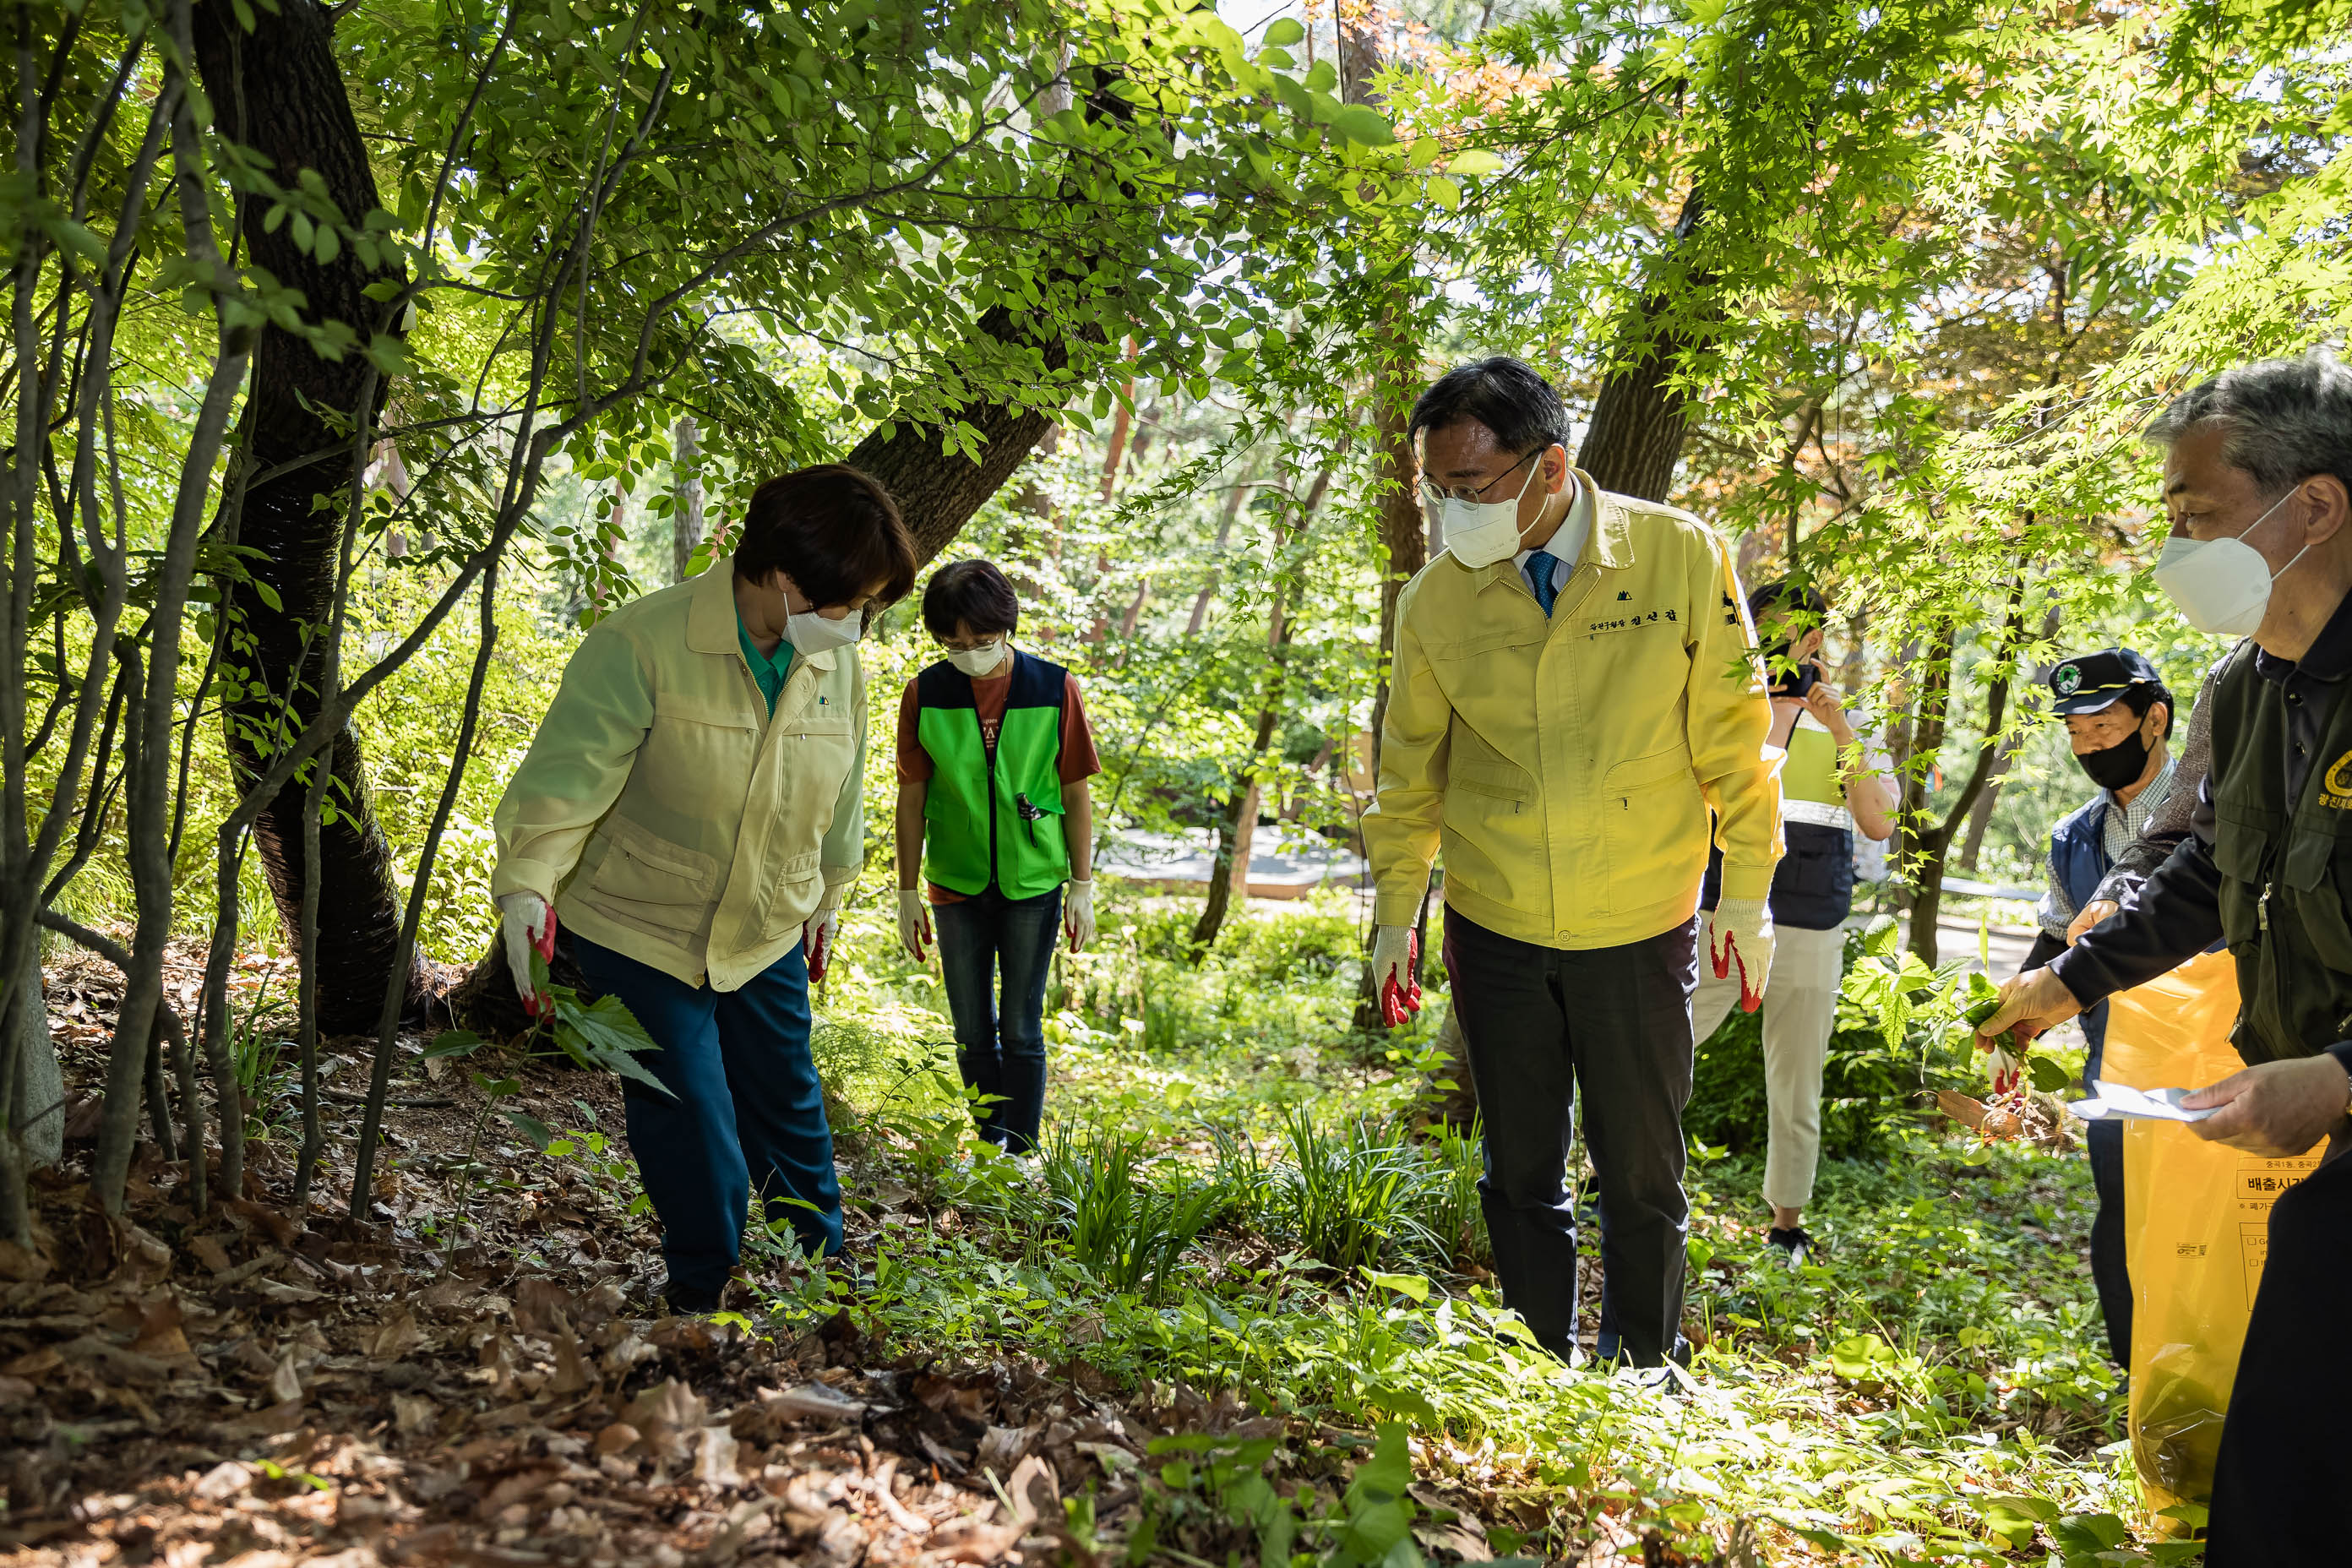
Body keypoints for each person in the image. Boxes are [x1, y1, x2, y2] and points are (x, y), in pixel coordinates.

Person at [1978, 351, 2352, 1564]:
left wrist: (2343, 1073)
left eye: (2198, 517)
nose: (2176, 551)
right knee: (2284, 1460)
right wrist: (2068, 977)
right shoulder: (2247, 692)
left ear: (2315, 506)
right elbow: (2201, 868)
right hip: (2335, 1140)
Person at [1362, 356, 1782, 1368]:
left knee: (1642, 1169)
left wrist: (1748, 897)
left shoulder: (1679, 556)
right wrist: (1395, 912)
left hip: (1640, 918)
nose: (1455, 509)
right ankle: (1534, 1362)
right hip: (1496, 918)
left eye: (1475, 487)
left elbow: (1735, 737)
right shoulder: (1435, 601)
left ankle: (1647, 1365)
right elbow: (1409, 769)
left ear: (1551, 465)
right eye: (1439, 489)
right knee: (1518, 1168)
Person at [491, 466, 917, 1313]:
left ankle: (824, 1279)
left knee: (787, 1097)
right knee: (687, 1108)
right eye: (844, 605)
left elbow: (843, 788)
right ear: (786, 579)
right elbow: (568, 779)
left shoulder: (836, 665)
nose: (852, 626)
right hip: (641, 921)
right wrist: (528, 888)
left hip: (766, 922)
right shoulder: (642, 643)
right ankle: (702, 1289)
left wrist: (831, 891)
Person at [1692, 581, 1895, 1269]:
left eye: (1805, 628)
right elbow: (1738, 782)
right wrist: (1775, 705)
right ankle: (1606, 1174)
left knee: (1797, 1078)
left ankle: (1786, 1225)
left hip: (1812, 920)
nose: (1793, 639)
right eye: (1776, 626)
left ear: (1822, 637)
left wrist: (1837, 726)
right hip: (1725, 909)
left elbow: (1878, 820)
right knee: (1663, 1044)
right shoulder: (1728, 704)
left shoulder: (1853, 717)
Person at [894, 560, 1101, 1153]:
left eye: (981, 642)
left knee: (1021, 1027)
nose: (969, 654)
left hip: (1033, 881)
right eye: (953, 644)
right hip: (954, 882)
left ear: (1005, 628)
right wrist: (906, 891)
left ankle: (1024, 1154)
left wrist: (1082, 886)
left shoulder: (1053, 686)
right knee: (971, 1030)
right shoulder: (925, 693)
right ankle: (990, 1151)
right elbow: (911, 800)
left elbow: (1074, 791)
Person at [2017, 647, 2179, 1368]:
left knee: (2208, 1219)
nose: (2087, 746)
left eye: (2103, 727)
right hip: (2112, 1059)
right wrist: (2004, 1034)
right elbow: (2055, 942)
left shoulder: (2214, 811)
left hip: (2216, 1054)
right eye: (2075, 733)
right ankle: (2139, 1378)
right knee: (2122, 1219)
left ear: (2155, 720)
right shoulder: (2072, 837)